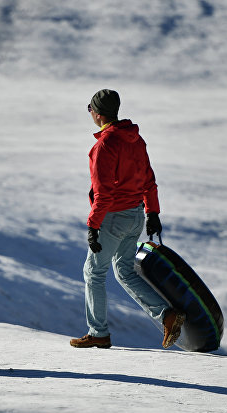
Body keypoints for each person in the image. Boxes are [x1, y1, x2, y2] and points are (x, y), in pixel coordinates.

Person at [71, 89, 185, 350]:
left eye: (90, 109)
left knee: (94, 273)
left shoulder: (105, 145)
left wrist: (93, 226)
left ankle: (98, 332)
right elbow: (148, 179)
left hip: (113, 217)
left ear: (98, 114)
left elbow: (103, 193)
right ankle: (167, 315)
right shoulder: (135, 139)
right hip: (135, 215)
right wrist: (152, 212)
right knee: (124, 271)